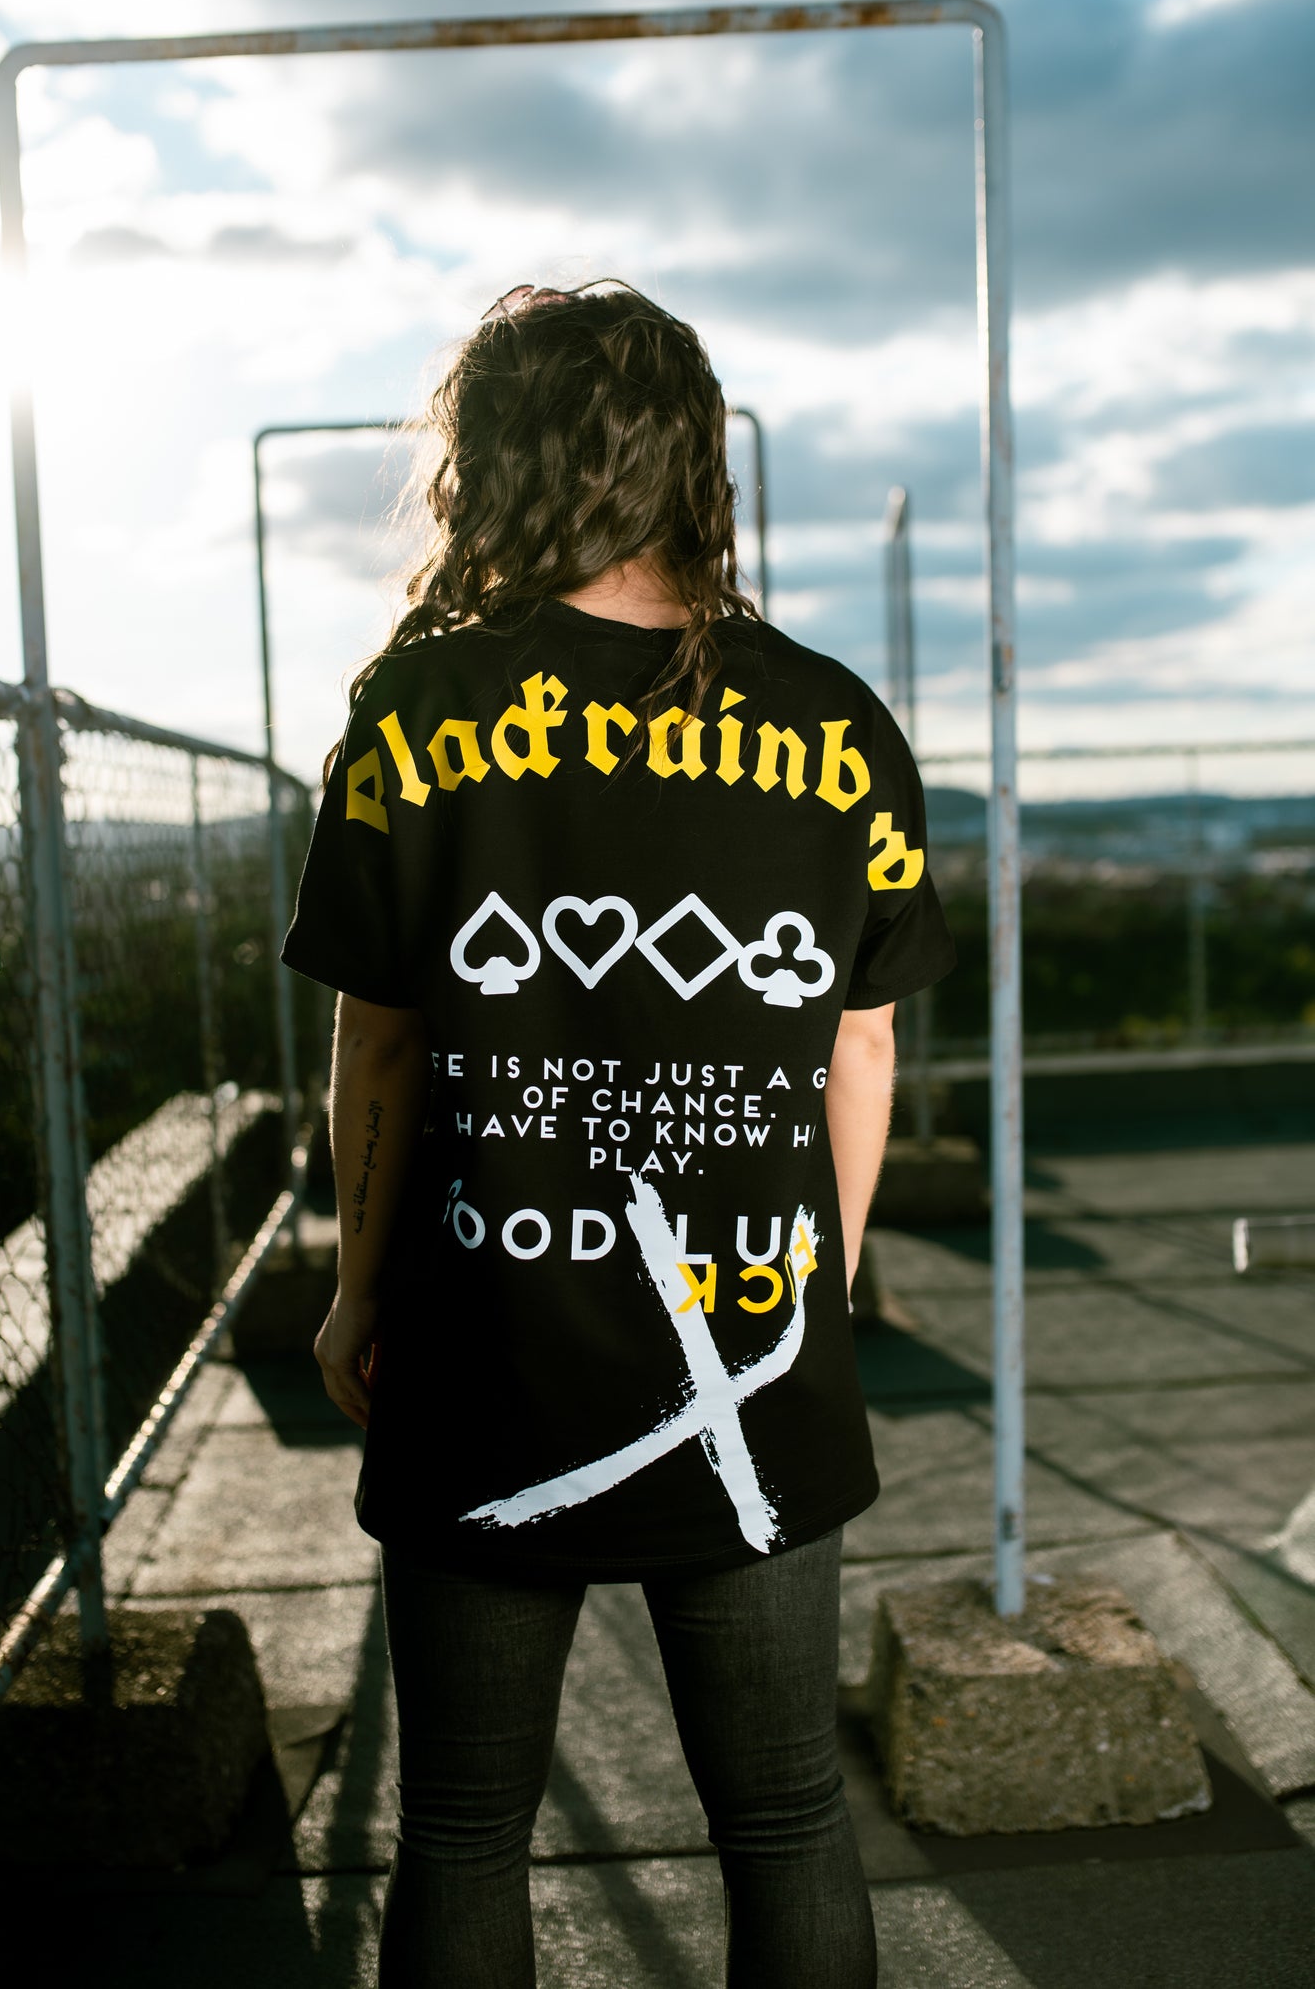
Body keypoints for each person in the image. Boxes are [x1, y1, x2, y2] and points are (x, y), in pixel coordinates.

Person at [282, 280, 955, 1988]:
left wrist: (357, 1291)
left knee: (460, 1828)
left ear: (494, 461)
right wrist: (815, 1284)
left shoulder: (416, 713)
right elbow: (858, 1040)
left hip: (486, 1338)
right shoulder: (835, 722)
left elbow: (381, 1035)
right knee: (787, 1817)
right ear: (691, 464)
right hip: (749, 1340)